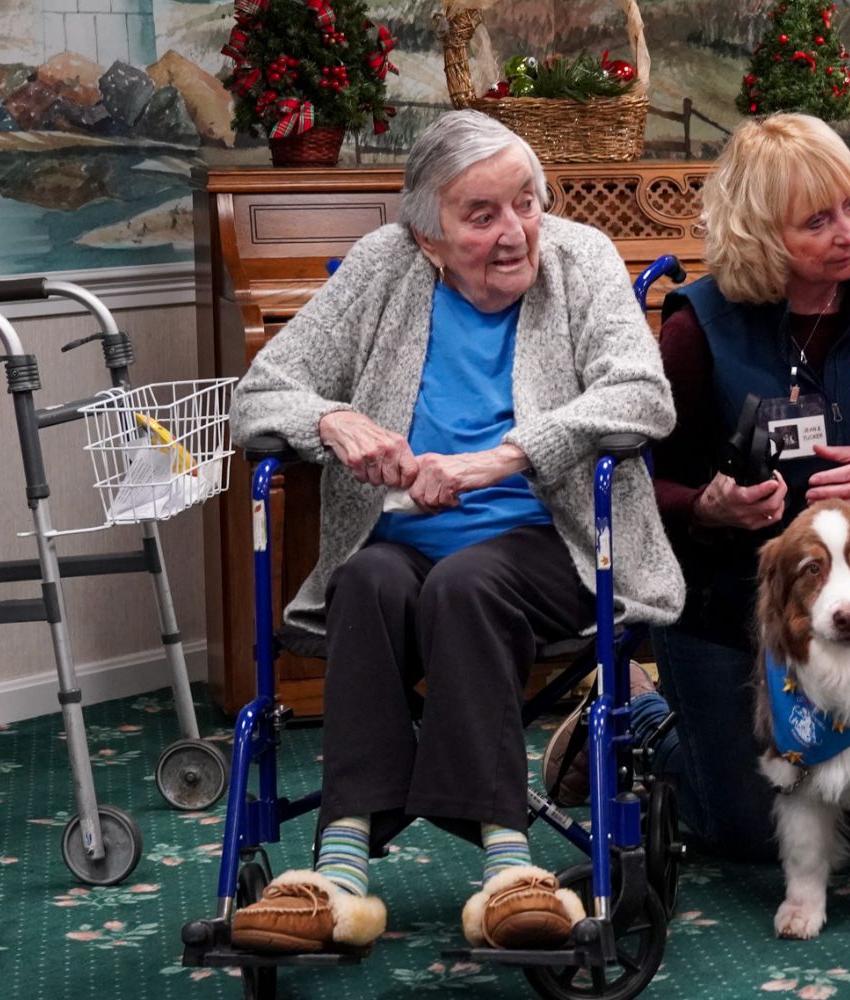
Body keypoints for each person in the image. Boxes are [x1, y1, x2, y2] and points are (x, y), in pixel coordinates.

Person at [226, 110, 683, 954]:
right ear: (426, 236)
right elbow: (258, 393)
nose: (514, 233)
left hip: (560, 542)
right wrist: (333, 421)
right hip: (404, 540)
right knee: (366, 579)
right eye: (482, 216)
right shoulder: (383, 267)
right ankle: (340, 875)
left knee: (469, 585)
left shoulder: (579, 259)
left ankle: (510, 870)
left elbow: (642, 397)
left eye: (526, 203)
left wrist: (504, 458)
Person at [545, 112, 850, 862]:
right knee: (753, 834)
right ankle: (645, 722)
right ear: (761, 233)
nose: (848, 233)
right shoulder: (699, 327)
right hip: (726, 598)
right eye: (817, 221)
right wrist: (707, 506)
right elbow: (630, 478)